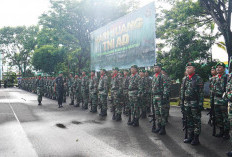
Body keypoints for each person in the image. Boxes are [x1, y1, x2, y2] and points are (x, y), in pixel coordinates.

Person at [180, 62, 204, 145]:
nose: (188, 69)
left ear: (194, 69)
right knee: (189, 120)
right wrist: (182, 102)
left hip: (195, 102)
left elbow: (201, 93)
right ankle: (190, 136)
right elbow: (182, 91)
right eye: (187, 68)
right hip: (186, 102)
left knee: (196, 121)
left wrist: (200, 104)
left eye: (190, 67)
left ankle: (196, 138)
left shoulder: (198, 78)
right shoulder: (184, 79)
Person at [213, 62, 230, 139]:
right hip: (216, 100)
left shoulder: (227, 77)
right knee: (218, 117)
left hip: (224, 100)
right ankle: (221, 131)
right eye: (217, 67)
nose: (218, 68)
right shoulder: (214, 78)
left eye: (220, 67)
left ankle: (226, 133)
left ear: (224, 69)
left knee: (225, 117)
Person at [151, 63, 168, 135]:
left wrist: (164, 97)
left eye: (157, 67)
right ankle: (159, 126)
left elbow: (166, 88)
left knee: (162, 113)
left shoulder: (163, 76)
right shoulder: (154, 76)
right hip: (155, 97)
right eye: (154, 67)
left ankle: (163, 128)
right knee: (157, 113)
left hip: (160, 97)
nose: (155, 68)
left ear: (160, 68)